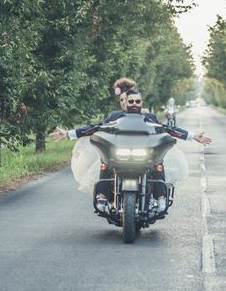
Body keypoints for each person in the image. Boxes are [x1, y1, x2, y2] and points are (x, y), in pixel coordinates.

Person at [51, 88, 211, 213]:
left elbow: (168, 129)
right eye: (131, 101)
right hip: (120, 153)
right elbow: (95, 127)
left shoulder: (149, 118)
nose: (134, 103)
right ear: (125, 103)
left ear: (141, 103)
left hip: (144, 153)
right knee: (105, 162)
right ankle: (102, 197)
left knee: (158, 164)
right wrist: (68, 134)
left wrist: (192, 136)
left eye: (137, 101)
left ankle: (161, 197)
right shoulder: (115, 116)